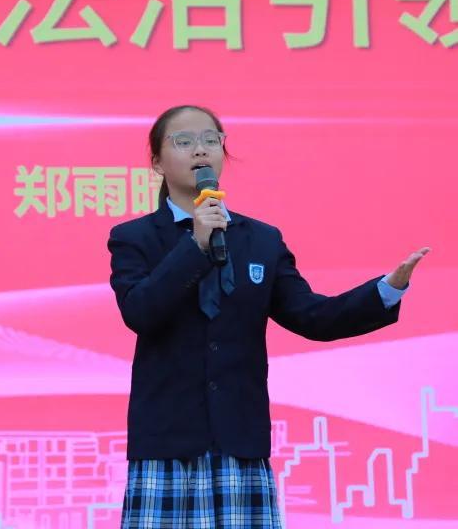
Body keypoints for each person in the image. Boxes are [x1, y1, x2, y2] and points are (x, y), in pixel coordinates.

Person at [107, 104, 430, 529]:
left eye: (210, 140)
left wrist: (387, 289)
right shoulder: (134, 238)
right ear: (156, 163)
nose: (200, 150)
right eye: (183, 141)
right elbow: (140, 311)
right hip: (165, 445)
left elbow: (314, 316)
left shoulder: (260, 239)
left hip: (239, 443)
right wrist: (195, 246)